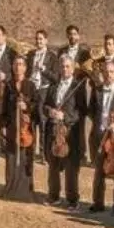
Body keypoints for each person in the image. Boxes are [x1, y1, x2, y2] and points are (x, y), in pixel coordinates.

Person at [88, 58, 114, 214]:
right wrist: (100, 124)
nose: (108, 75)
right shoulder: (97, 91)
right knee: (99, 170)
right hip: (99, 135)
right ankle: (98, 203)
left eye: (111, 72)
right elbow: (91, 110)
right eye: (105, 72)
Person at [42, 54, 84, 208]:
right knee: (53, 165)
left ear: (72, 69)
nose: (64, 69)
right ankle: (54, 196)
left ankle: (73, 200)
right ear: (58, 68)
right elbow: (45, 105)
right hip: (53, 130)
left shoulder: (77, 87)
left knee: (70, 168)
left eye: (67, 66)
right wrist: (50, 112)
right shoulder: (53, 86)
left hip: (69, 132)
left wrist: (65, 116)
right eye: (62, 66)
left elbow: (81, 111)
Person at [0, 55, 38, 202]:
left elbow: (36, 105)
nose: (18, 67)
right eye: (16, 64)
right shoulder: (8, 85)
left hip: (26, 128)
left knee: (26, 157)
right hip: (12, 127)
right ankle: (10, 187)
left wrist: (26, 106)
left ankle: (25, 189)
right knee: (11, 158)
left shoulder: (31, 85)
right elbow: (3, 107)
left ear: (25, 67)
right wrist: (2, 124)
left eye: (21, 64)